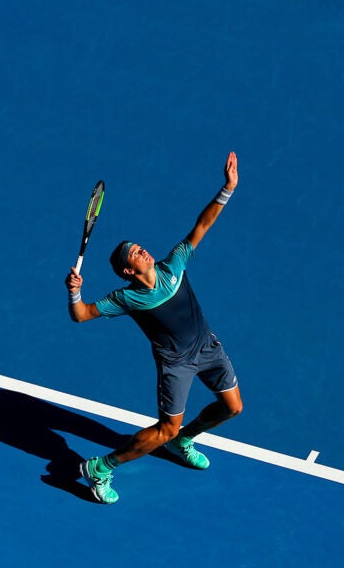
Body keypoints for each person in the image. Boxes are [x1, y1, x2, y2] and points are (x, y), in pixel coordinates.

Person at [64, 151, 242, 504]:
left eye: (141, 248)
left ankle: (183, 441)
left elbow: (202, 225)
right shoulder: (125, 298)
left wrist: (228, 188)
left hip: (208, 347)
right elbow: (81, 315)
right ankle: (102, 467)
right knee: (164, 428)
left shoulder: (175, 262)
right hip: (176, 364)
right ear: (128, 271)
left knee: (232, 407)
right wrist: (75, 292)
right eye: (135, 254)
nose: (143, 252)